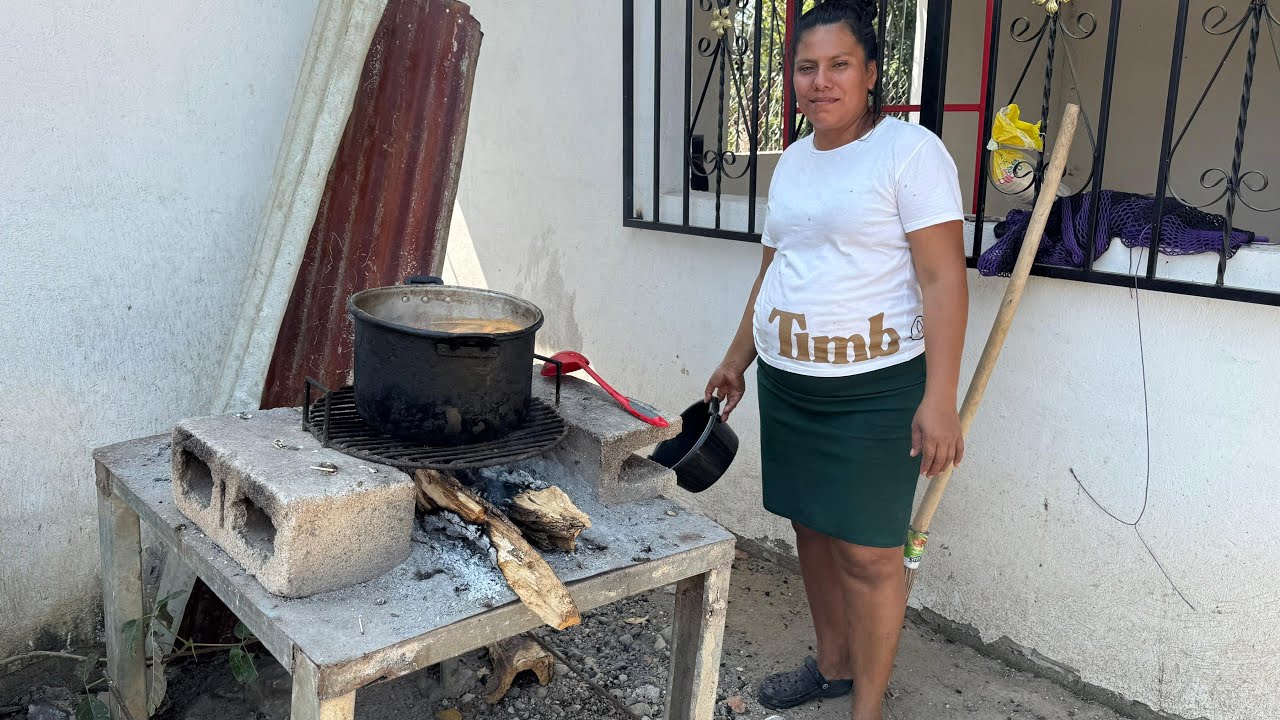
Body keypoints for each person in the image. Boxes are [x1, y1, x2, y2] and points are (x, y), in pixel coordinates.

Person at [702, 1, 969, 718]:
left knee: (870, 553)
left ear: (872, 72)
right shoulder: (793, 161)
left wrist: (939, 397)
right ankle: (832, 665)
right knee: (811, 528)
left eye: (839, 65)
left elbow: (944, 279)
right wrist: (737, 359)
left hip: (875, 390)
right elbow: (775, 268)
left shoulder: (910, 153)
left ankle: (867, 709)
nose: (819, 82)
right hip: (791, 386)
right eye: (806, 67)